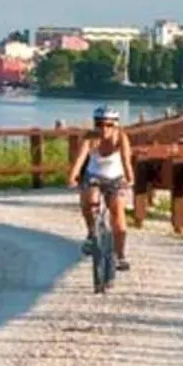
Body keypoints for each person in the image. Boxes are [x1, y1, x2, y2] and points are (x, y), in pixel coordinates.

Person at [67, 106, 134, 272]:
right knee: (88, 201)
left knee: (117, 212)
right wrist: (72, 176)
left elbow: (126, 161)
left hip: (116, 177)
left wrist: (130, 179)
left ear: (116, 126)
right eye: (99, 124)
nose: (104, 128)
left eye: (109, 125)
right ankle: (91, 232)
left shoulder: (121, 138)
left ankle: (121, 256)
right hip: (94, 175)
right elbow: (80, 158)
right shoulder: (90, 138)